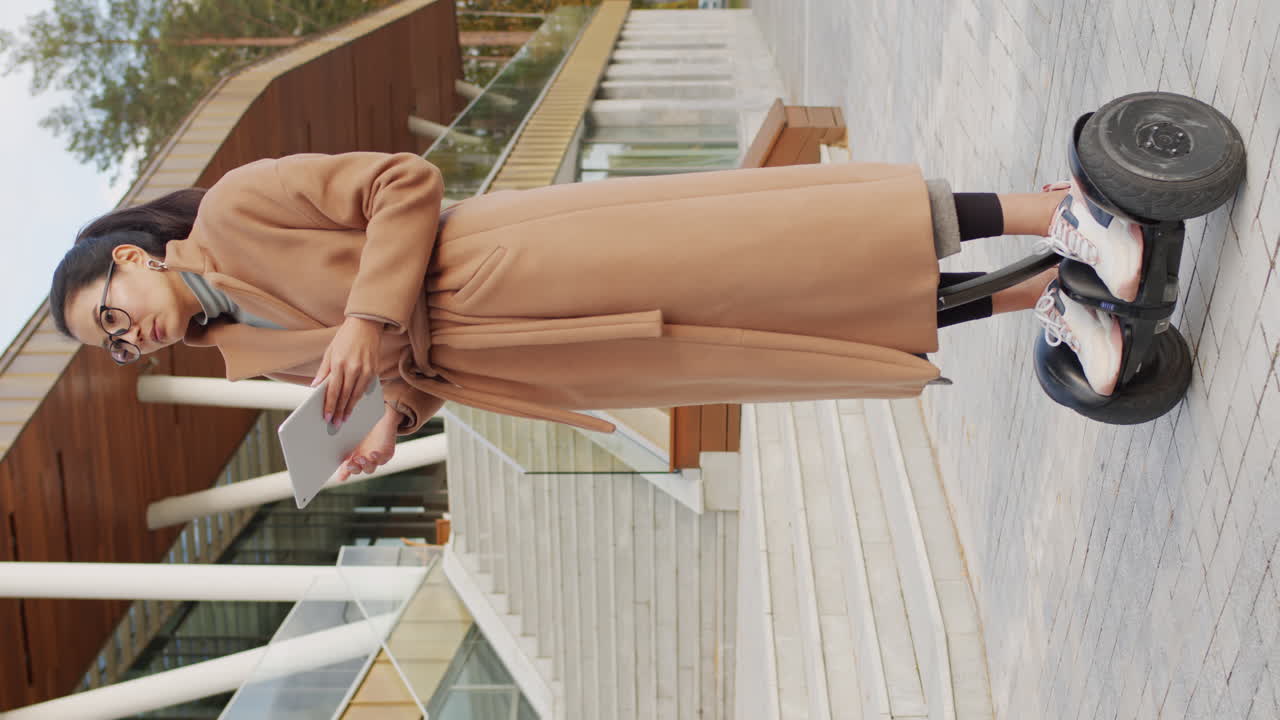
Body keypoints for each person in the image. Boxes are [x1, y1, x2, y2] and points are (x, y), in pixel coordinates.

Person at [50, 152, 1143, 480]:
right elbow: (402, 375)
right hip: (544, 359)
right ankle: (1036, 290)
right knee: (786, 333)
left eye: (109, 308)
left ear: (134, 255)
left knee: (790, 247)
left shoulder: (241, 204)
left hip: (525, 262)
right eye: (108, 343)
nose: (124, 333)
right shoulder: (241, 356)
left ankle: (1052, 210)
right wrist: (390, 419)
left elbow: (404, 185)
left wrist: (364, 322)